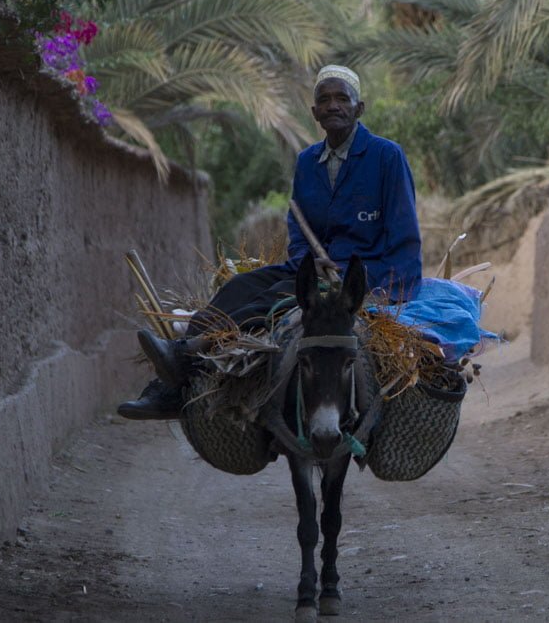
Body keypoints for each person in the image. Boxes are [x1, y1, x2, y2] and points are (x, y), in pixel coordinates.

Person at [118, 65, 423, 420]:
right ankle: (172, 385)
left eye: (343, 98)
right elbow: (299, 229)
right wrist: (308, 262)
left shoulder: (386, 156)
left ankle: (187, 353)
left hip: (363, 276)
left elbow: (404, 238)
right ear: (314, 113)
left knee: (273, 302)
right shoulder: (308, 162)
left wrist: (378, 285)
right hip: (312, 269)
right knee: (238, 288)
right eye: (324, 99)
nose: (333, 106)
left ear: (359, 108)